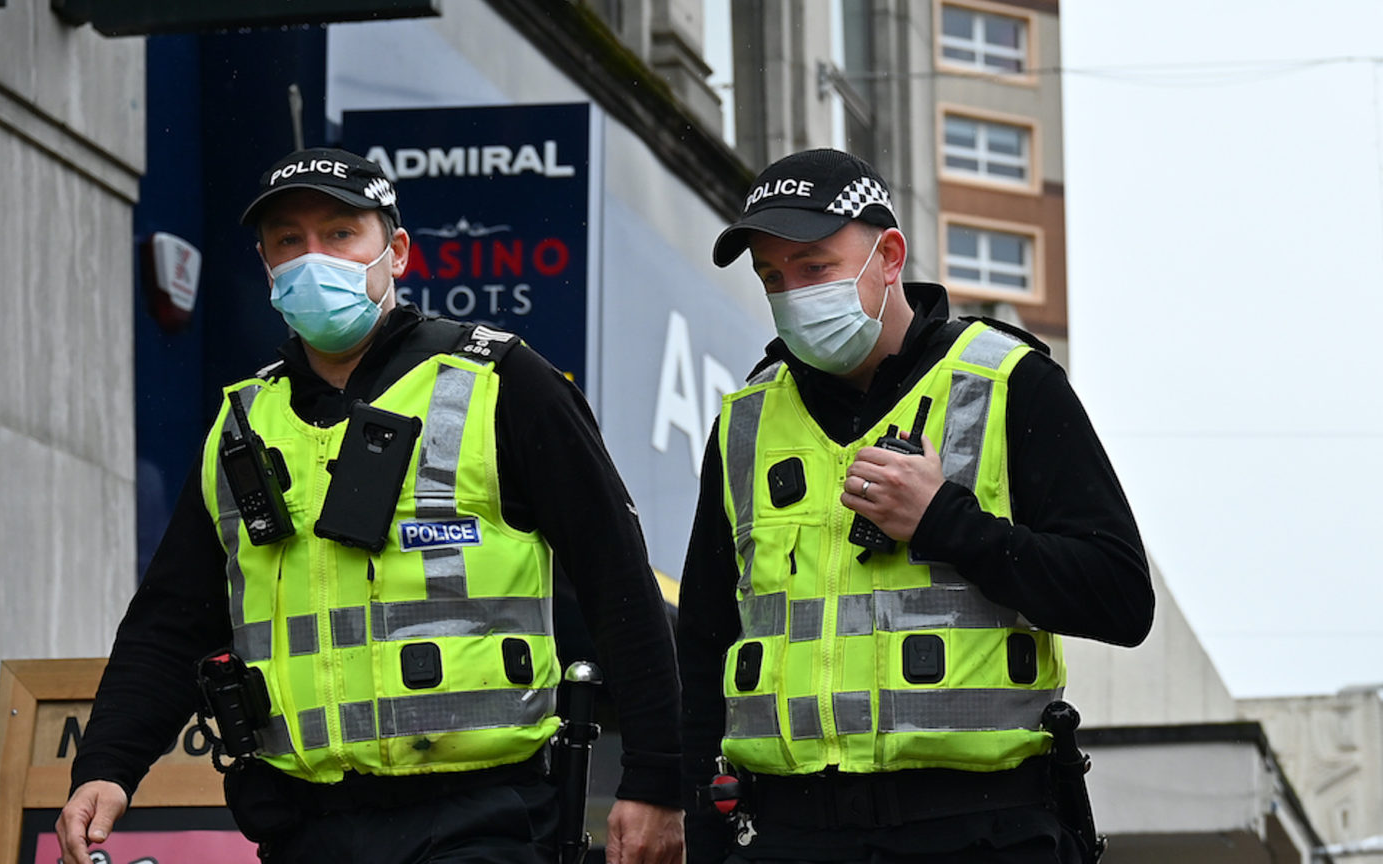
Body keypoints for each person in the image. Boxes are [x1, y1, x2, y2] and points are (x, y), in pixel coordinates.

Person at [57, 148, 685, 864]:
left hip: (482, 818)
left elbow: (619, 587)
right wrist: (106, 765)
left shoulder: (503, 382)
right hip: (306, 828)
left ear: (397, 251)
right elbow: (170, 623)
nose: (311, 258)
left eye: (339, 234)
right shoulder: (242, 424)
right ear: (265, 266)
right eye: (288, 241)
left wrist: (658, 781)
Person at [676, 148, 1154, 864]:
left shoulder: (1009, 383)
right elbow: (705, 645)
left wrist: (945, 523)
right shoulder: (745, 421)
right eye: (772, 278)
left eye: (814, 267)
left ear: (889, 254)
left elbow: (1120, 598)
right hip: (787, 836)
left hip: (978, 830)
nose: (792, 295)